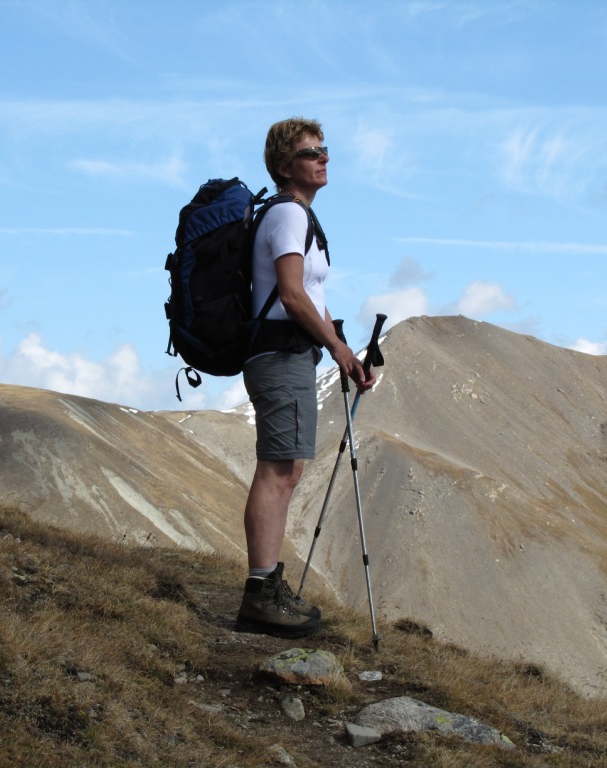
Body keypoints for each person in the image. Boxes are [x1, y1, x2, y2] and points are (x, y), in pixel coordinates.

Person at [235, 118, 376, 638]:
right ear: (282, 167)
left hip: (289, 353)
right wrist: (337, 348)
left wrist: (340, 347)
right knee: (277, 470)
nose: (323, 158)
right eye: (310, 153)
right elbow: (292, 295)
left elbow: (308, 295)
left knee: (287, 467)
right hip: (280, 353)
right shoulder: (289, 215)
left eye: (323, 149)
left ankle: (268, 584)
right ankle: (260, 593)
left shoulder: (296, 218)